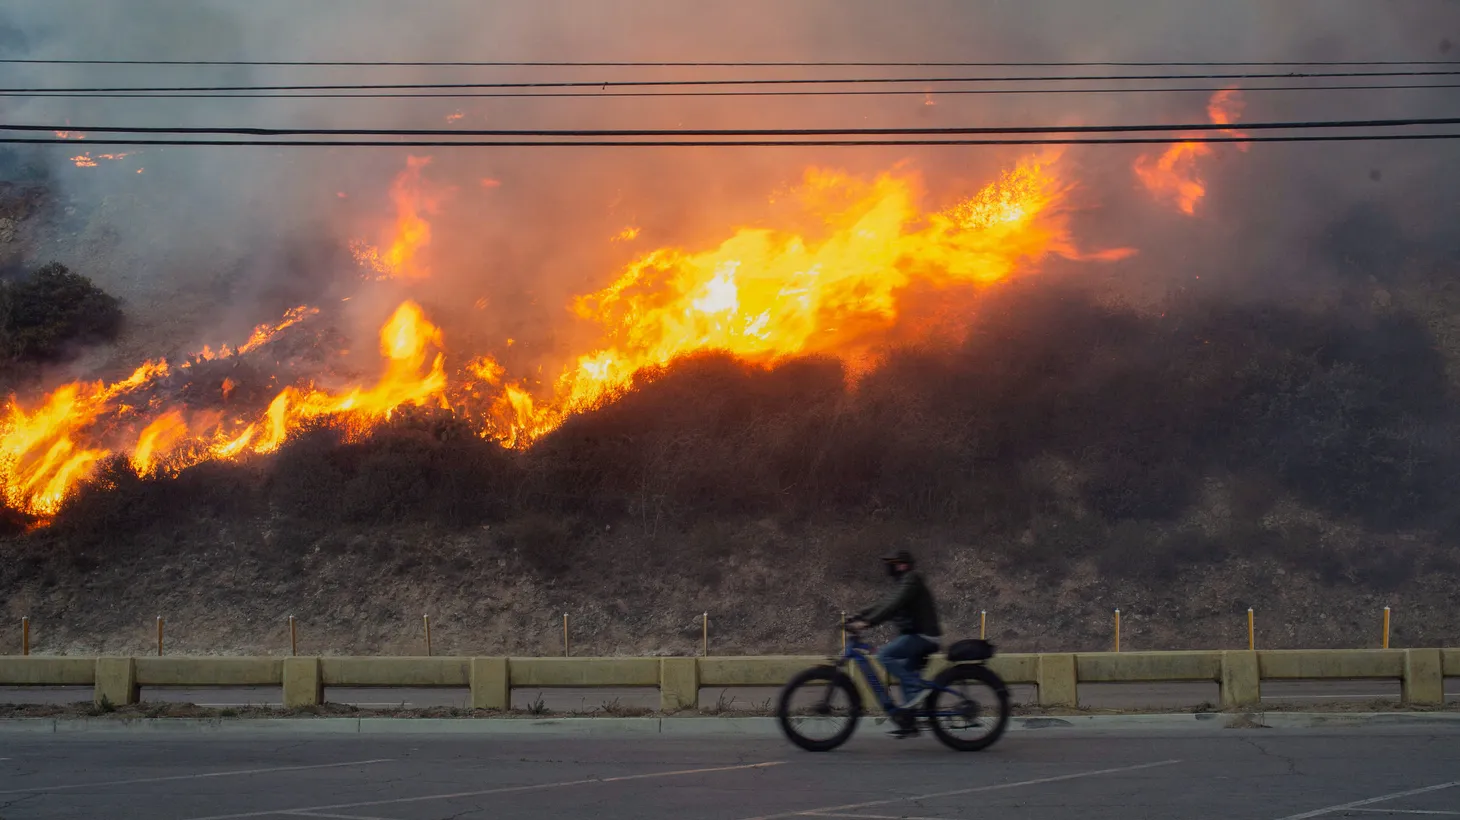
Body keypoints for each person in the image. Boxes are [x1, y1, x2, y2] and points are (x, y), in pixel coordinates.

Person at [847, 549, 942, 738]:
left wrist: (867, 622)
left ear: (902, 564)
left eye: (892, 563)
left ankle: (916, 688)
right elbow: (886, 603)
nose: (888, 567)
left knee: (884, 655)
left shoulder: (911, 580)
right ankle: (909, 722)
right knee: (904, 672)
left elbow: (892, 605)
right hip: (917, 636)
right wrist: (859, 615)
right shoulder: (904, 582)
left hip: (924, 636)